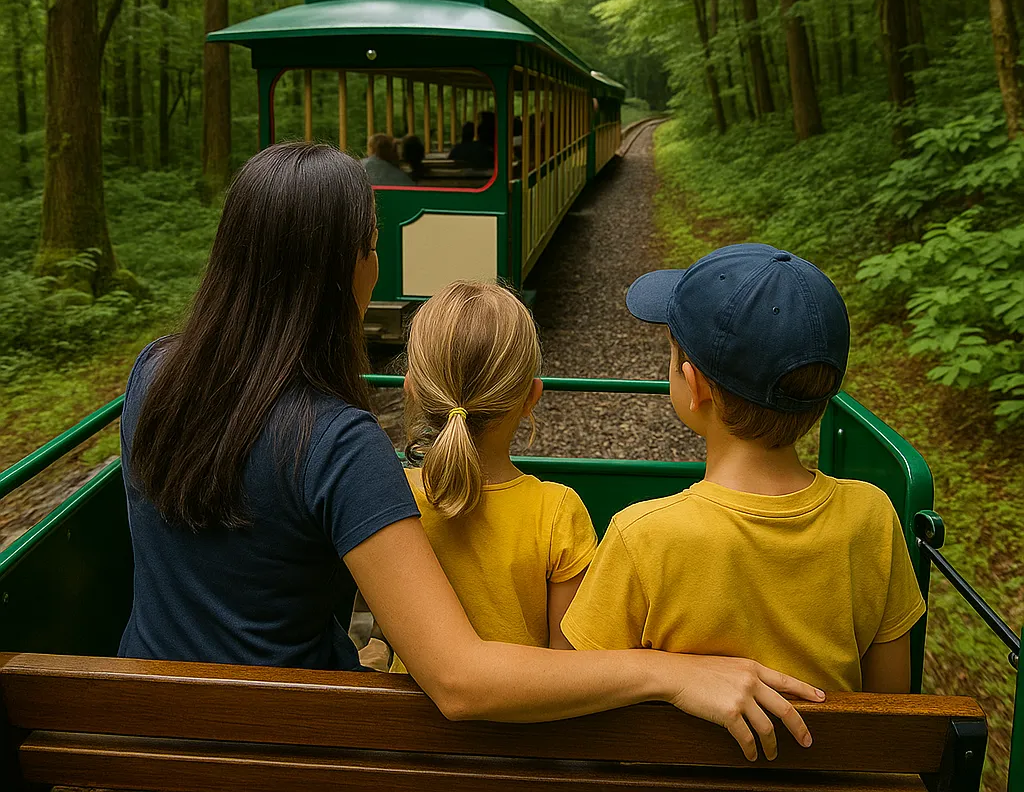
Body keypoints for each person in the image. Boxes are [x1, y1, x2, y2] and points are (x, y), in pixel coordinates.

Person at [118, 146, 822, 760]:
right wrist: (669, 673)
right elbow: (459, 680)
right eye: (370, 245)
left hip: (138, 732)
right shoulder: (334, 441)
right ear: (341, 274)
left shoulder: (153, 376)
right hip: (295, 747)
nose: (378, 259)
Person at [561, 244, 927, 694]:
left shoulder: (641, 536)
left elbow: (577, 690)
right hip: (834, 764)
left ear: (693, 386)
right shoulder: (872, 516)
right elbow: (890, 703)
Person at [389, 281, 596, 674]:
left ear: (412, 390)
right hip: (523, 730)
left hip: (401, 729)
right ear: (531, 397)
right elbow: (570, 668)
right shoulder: (556, 512)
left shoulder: (392, 497)